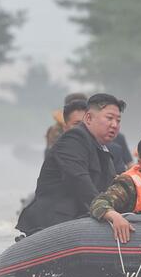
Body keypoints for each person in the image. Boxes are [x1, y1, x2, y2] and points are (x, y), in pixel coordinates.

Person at [17, 93, 125, 235]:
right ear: (88, 118)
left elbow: (111, 186)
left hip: (83, 221)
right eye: (109, 118)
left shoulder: (103, 149)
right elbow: (78, 179)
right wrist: (106, 211)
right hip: (53, 224)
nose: (114, 125)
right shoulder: (73, 139)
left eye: (118, 120)